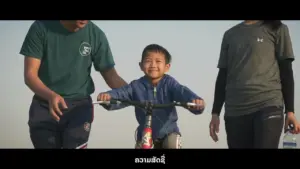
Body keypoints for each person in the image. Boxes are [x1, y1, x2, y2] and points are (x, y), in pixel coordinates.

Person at [20, 20, 127, 149]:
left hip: (79, 107)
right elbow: (30, 75)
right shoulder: (40, 27)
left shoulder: (96, 34)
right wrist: (51, 96)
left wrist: (135, 94)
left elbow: (112, 76)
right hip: (45, 104)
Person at [209, 20, 300, 149]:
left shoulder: (278, 28)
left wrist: (290, 111)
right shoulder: (230, 35)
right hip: (235, 111)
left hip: (268, 104)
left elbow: (286, 70)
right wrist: (215, 113)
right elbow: (222, 76)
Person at [97, 44, 205, 149]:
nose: (153, 65)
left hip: (169, 133)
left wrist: (195, 102)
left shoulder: (170, 84)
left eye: (158, 61)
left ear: (167, 67)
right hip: (145, 134)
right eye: (148, 61)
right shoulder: (136, 86)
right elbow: (121, 94)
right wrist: (108, 97)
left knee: (172, 144)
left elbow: (182, 92)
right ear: (140, 65)